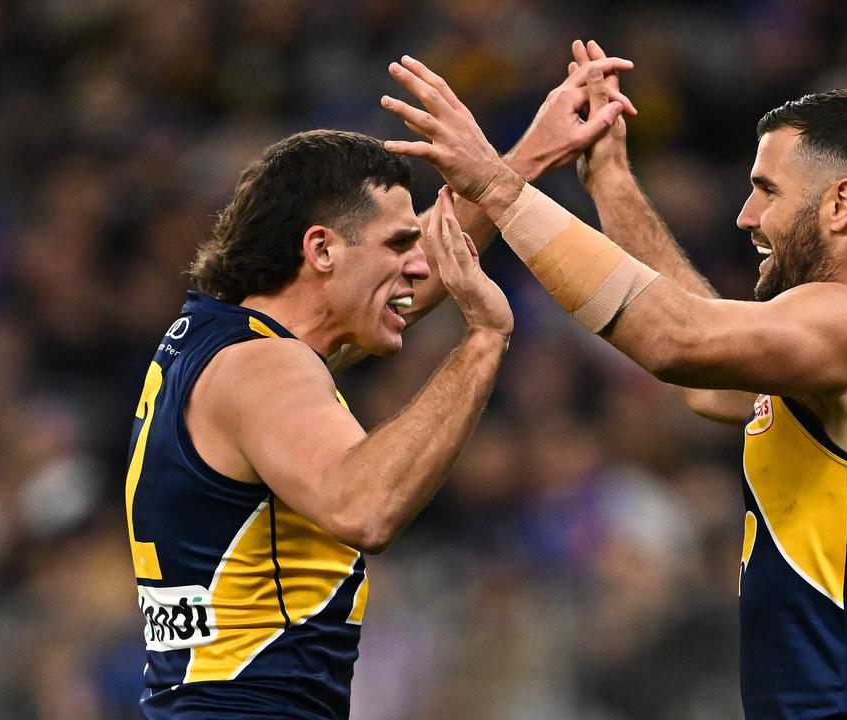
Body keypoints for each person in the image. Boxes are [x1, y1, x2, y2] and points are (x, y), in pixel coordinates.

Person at [381, 42, 847, 720]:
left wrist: (500, 190)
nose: (747, 218)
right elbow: (706, 378)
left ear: (841, 204)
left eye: (767, 192)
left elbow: (675, 339)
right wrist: (612, 183)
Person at [125, 56, 636, 720]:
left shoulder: (210, 343)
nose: (419, 264)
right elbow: (363, 507)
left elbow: (413, 275)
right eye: (397, 244)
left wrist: (525, 158)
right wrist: (482, 339)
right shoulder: (266, 367)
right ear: (322, 250)